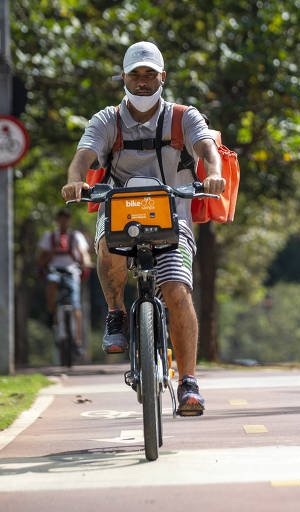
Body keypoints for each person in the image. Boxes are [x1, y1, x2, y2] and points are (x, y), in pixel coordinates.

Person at [60, 41, 226, 416]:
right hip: (121, 214)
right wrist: (75, 181)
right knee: (106, 245)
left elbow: (207, 150)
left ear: (162, 77)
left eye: (149, 74)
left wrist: (212, 174)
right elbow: (82, 159)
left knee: (177, 290)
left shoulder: (184, 117)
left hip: (172, 218)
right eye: (135, 74)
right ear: (124, 77)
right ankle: (116, 312)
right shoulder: (107, 120)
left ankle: (188, 383)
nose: (142, 81)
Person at [36, 208, 93, 356]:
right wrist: (52, 252)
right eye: (61, 218)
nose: (64, 221)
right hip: (54, 270)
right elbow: (40, 261)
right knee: (52, 282)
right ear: (57, 220)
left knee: (76, 304)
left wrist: (87, 262)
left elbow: (84, 254)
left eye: (66, 218)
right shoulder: (49, 237)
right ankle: (51, 312)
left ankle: (77, 341)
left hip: (71, 271)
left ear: (69, 220)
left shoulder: (76, 237)